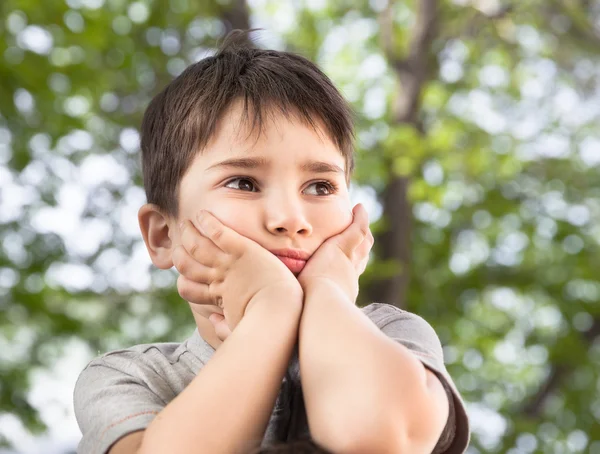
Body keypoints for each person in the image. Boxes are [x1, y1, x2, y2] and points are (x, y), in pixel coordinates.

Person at [73, 29, 470, 454]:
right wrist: (270, 308)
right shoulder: (130, 377)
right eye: (243, 182)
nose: (290, 219)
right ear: (164, 235)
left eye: (320, 186)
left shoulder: (392, 336)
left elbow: (378, 434)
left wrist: (325, 290)